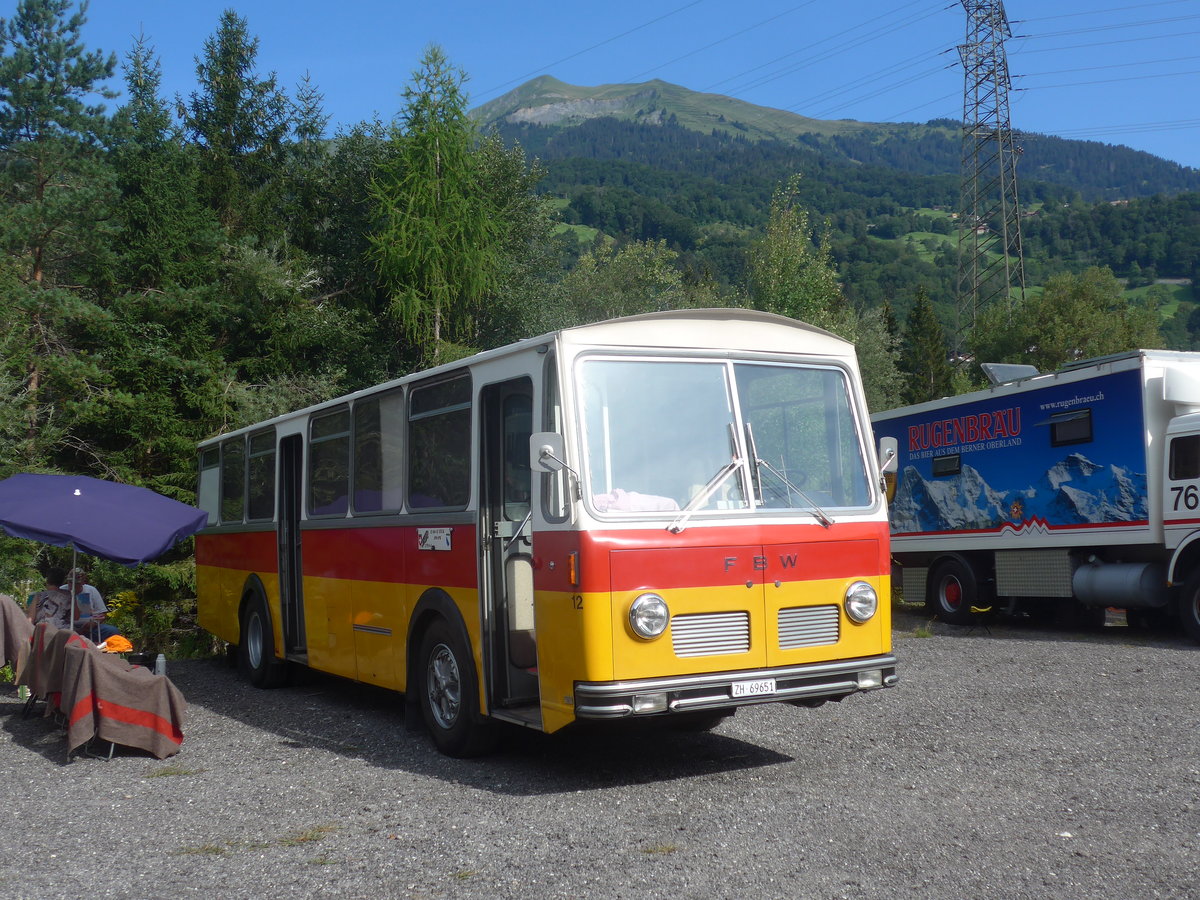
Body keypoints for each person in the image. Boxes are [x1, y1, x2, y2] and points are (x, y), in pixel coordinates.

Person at [61, 566, 119, 640]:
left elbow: (102, 613)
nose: (72, 585)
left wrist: (94, 623)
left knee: (112, 631)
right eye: (70, 582)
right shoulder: (61, 590)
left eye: (76, 583)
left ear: (83, 582)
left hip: (88, 628)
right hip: (67, 627)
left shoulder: (91, 590)